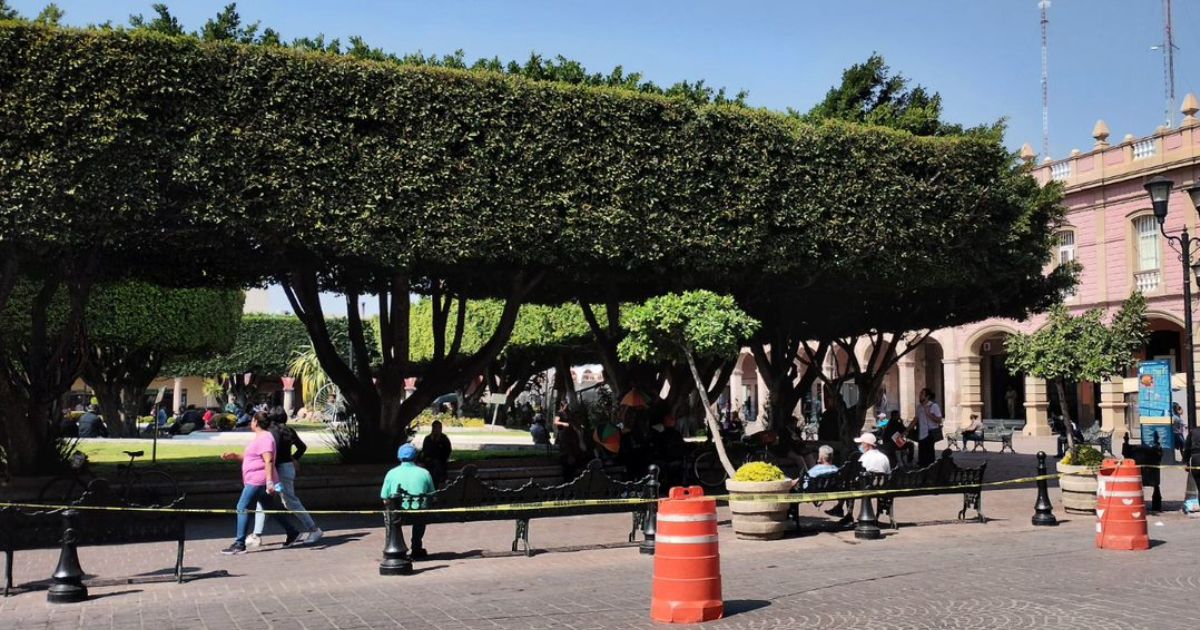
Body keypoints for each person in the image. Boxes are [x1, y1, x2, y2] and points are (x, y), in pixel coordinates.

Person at [219, 413, 303, 554]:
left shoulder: (265, 438)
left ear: (256, 422)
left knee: (242, 506)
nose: (250, 422)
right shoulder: (260, 437)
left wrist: (270, 481)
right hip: (258, 480)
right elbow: (250, 457)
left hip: (258, 480)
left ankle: (239, 544)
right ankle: (292, 532)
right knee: (269, 507)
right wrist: (234, 456)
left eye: (252, 420)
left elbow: (268, 460)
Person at [248, 413, 322, 547]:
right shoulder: (289, 430)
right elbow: (302, 447)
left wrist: (269, 471)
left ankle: (313, 528)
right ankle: (256, 534)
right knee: (269, 500)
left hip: (278, 468)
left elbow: (271, 454)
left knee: (287, 501)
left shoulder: (271, 433)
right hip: (287, 467)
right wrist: (294, 458)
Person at [380, 443, 435, 559]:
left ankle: (391, 545)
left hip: (398, 514)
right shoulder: (425, 473)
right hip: (419, 513)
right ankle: (416, 546)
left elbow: (384, 498)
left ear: (399, 456)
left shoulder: (391, 473)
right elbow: (432, 495)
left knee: (388, 513)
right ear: (415, 457)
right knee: (421, 514)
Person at [915, 388, 943, 467]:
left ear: (927, 396)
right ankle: (922, 470)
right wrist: (906, 430)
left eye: (922, 394)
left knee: (929, 454)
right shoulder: (919, 407)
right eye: (920, 394)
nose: (920, 396)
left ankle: (930, 470)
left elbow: (939, 420)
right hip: (921, 433)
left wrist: (929, 414)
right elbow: (915, 419)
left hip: (930, 433)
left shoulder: (933, 406)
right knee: (922, 454)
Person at [421, 420, 453, 487]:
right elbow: (426, 451)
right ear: (433, 428)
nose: (438, 430)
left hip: (441, 461)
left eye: (440, 428)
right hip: (429, 461)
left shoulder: (444, 438)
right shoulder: (428, 439)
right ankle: (443, 478)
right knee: (435, 465)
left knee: (436, 467)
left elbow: (448, 451)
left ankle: (439, 482)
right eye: (436, 428)